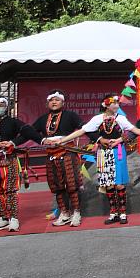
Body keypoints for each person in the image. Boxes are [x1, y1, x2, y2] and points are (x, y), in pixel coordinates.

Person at [48, 94, 140, 225]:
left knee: (119, 183)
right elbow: (82, 131)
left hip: (118, 152)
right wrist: (62, 140)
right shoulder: (97, 119)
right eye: (113, 102)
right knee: (108, 184)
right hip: (103, 153)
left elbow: (135, 130)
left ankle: (123, 213)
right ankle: (113, 213)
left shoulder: (121, 119)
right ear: (105, 104)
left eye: (117, 102)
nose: (116, 105)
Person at [0, 97, 44, 232]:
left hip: (8, 158)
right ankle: (3, 218)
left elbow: (28, 132)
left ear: (6, 107)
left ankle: (14, 218)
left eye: (1, 105)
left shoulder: (13, 122)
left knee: (10, 190)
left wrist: (13, 142)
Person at [31, 90, 85, 228]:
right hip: (51, 155)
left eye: (57, 100)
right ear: (47, 103)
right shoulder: (43, 119)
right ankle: (64, 213)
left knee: (72, 185)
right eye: (51, 100)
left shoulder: (70, 116)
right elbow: (29, 131)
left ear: (63, 102)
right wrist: (42, 140)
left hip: (67, 153)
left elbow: (84, 128)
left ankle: (77, 212)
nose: (54, 102)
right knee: (57, 186)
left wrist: (96, 140)